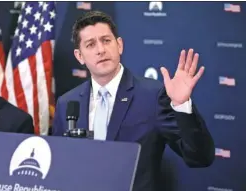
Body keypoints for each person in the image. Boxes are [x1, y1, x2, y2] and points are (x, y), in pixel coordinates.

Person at [52, 11, 215, 191]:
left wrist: (182, 105)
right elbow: (60, 168)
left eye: (106, 40)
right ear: (79, 56)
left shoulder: (153, 96)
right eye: (90, 44)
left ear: (119, 45)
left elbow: (200, 157)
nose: (100, 50)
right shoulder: (67, 103)